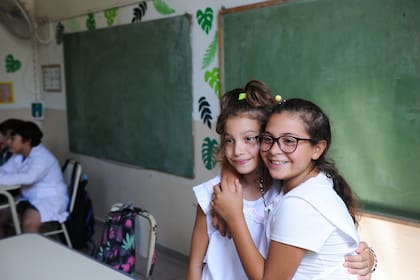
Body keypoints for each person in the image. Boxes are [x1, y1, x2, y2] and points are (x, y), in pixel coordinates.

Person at [212, 97, 373, 279]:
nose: (274, 150)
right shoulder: (315, 180)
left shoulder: (299, 204)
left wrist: (234, 217)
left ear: (317, 149)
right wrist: (228, 175)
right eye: (268, 139)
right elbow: (240, 160)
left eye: (289, 141)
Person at [187, 80, 280, 279]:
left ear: (267, 139)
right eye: (229, 140)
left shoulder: (282, 194)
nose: (237, 151)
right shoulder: (212, 193)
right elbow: (195, 265)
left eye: (249, 138)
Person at [0, 121, 69, 237]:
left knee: (29, 223)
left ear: (27, 141)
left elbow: (28, 178)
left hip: (48, 199)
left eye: (13, 139)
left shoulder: (43, 157)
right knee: (1, 217)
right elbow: (4, 170)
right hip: (27, 198)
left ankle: (32, 253)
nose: (8, 142)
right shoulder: (19, 155)